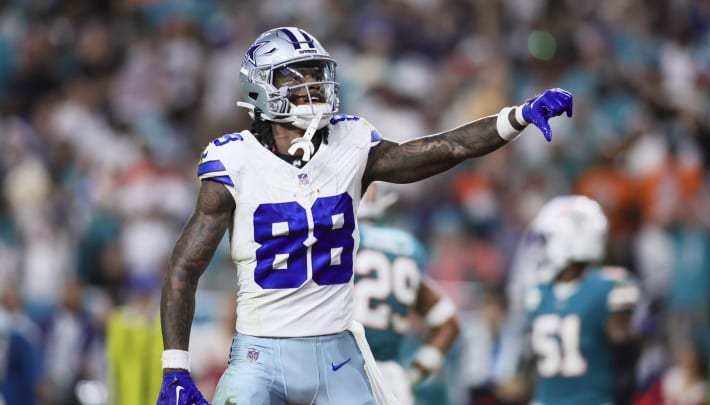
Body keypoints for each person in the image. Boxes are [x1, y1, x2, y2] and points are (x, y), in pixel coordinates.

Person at [155, 26, 573, 405]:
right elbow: (185, 266)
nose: (311, 85)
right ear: (259, 87)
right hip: (260, 355)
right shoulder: (235, 159)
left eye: (315, 72)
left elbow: (442, 149)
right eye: (295, 76)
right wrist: (175, 366)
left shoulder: (350, 142)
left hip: (338, 355)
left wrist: (515, 117)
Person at [519, 195, 640, 405]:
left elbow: (625, 361)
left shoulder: (537, 293)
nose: (542, 248)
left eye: (547, 240)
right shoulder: (611, 285)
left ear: (567, 241)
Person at [353, 182, 460, 405]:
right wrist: (414, 375)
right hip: (392, 380)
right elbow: (449, 323)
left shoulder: (339, 244)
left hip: (343, 373)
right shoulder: (404, 246)